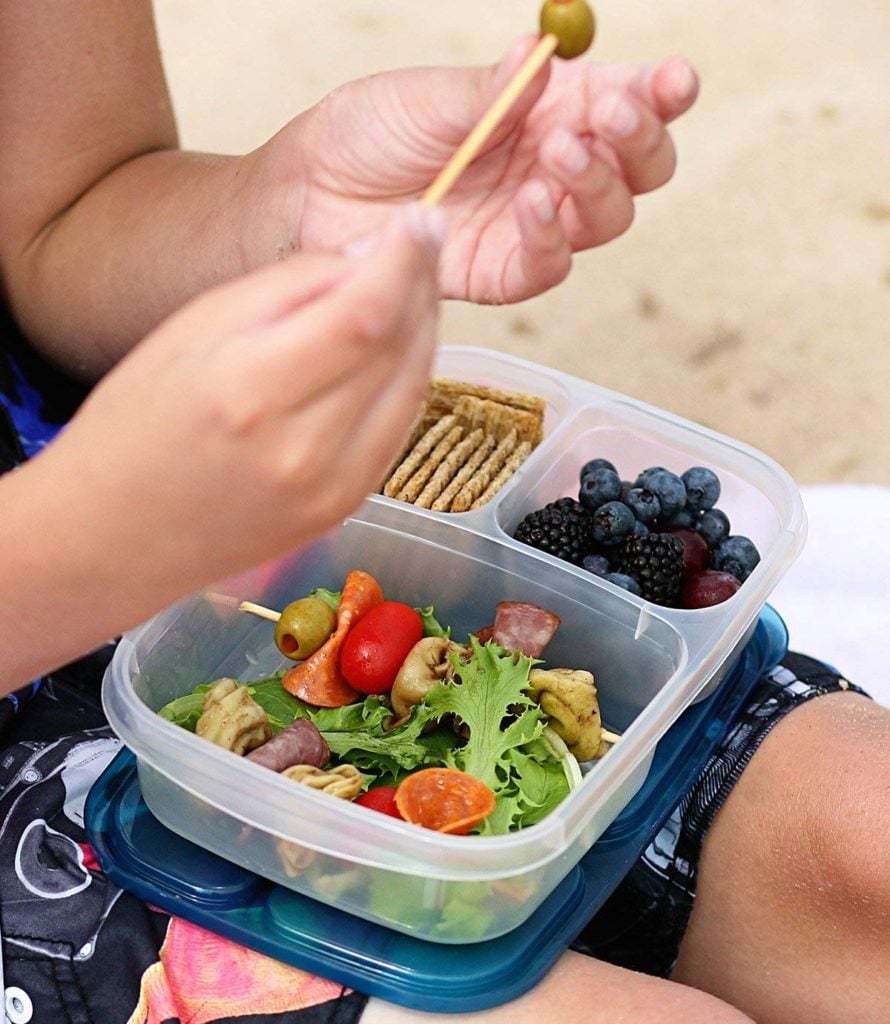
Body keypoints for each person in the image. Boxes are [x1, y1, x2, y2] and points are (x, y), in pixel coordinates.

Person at [0, 3, 888, 1024]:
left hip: (175, 579)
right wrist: (93, 536)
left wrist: (293, 203)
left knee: (863, 847)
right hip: (98, 567)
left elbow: (61, 214)